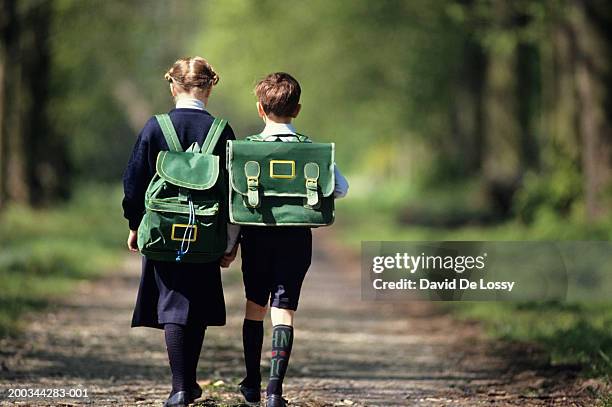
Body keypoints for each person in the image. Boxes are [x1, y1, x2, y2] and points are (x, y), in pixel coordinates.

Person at [224, 72, 349, 407]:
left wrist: (229, 247)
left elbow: (235, 207)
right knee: (284, 312)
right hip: (296, 241)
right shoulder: (313, 151)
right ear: (297, 110)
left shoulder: (245, 151)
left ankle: (251, 383)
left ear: (260, 109)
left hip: (257, 237)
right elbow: (340, 188)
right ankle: (275, 391)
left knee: (254, 307)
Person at [122, 56, 239, 407]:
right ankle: (187, 382)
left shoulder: (155, 128)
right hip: (207, 233)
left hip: (162, 231)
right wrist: (231, 242)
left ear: (173, 86)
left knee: (172, 304)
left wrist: (134, 224)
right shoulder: (222, 130)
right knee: (197, 305)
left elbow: (133, 181)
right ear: (210, 87)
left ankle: (180, 387)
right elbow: (234, 193)